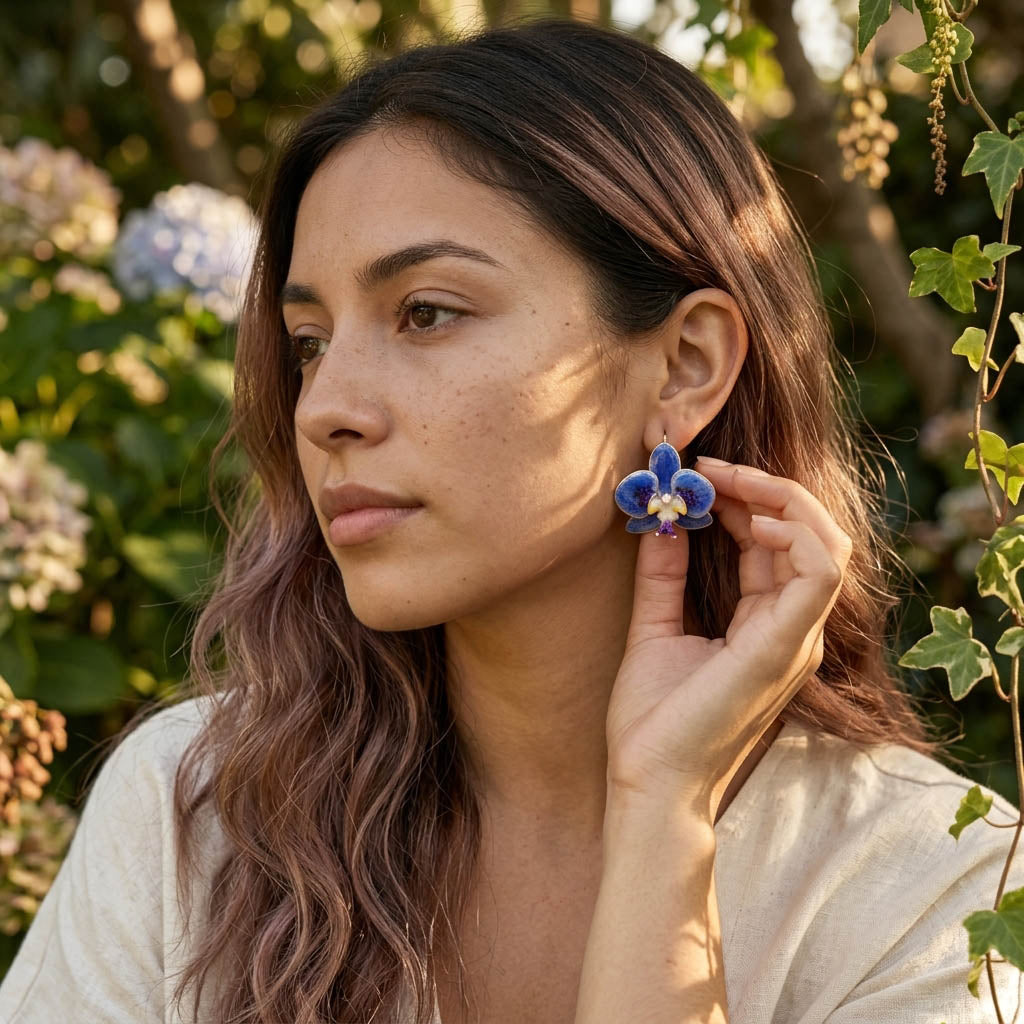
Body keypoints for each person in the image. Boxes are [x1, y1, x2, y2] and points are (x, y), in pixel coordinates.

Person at [1, 15, 1021, 1024]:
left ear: (685, 365)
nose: (323, 407)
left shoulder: (934, 891)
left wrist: (663, 813)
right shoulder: (193, 821)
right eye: (308, 340)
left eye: (427, 312)